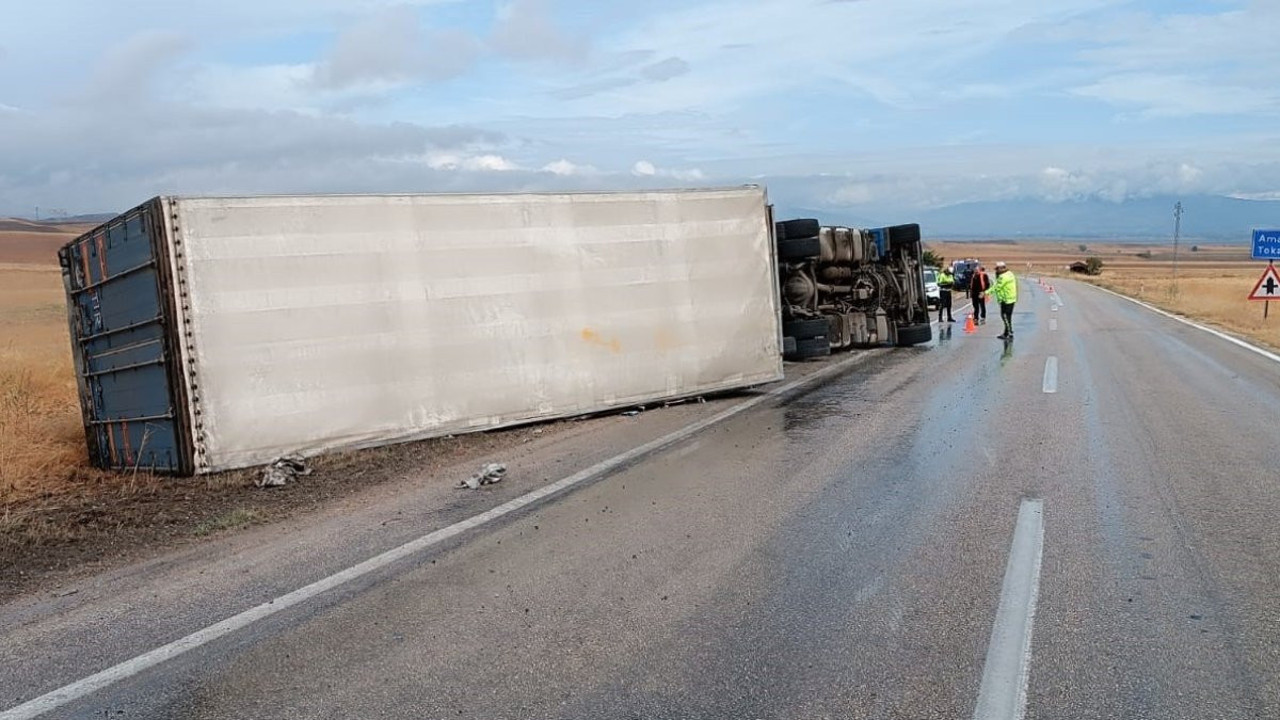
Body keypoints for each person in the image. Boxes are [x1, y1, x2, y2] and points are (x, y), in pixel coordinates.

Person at [986, 261, 1018, 339]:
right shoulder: (1010, 273)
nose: (996, 271)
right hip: (1010, 298)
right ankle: (1008, 332)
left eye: (997, 269)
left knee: (1005, 316)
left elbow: (997, 287)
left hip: (1006, 299)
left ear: (1002, 268)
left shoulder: (1003, 277)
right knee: (1008, 316)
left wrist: (986, 293)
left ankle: (1008, 333)